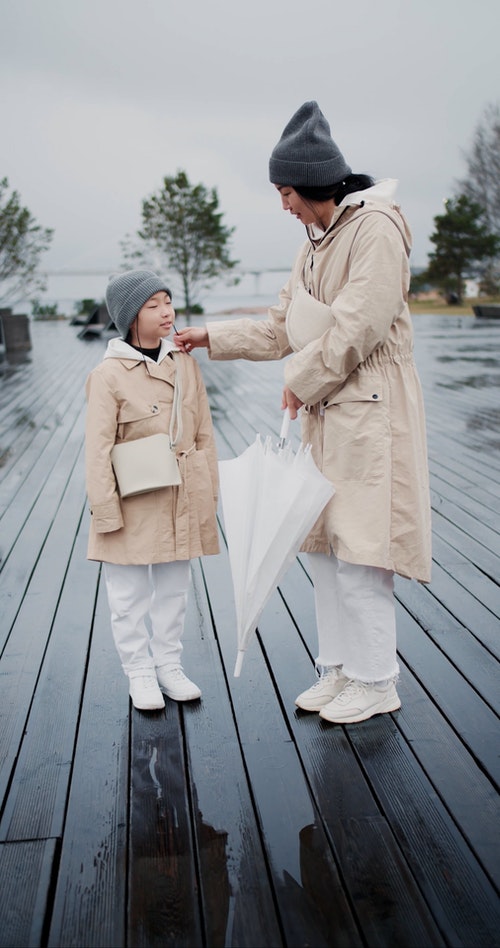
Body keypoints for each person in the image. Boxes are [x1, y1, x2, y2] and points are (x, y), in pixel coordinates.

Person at [176, 101, 432, 725]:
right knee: (322, 548)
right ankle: (340, 670)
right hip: (328, 417)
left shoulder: (376, 229)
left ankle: (377, 680)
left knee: (362, 552)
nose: (282, 205)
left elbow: (356, 328)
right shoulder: (312, 244)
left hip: (372, 413)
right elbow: (281, 328)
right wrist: (209, 337)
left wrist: (299, 378)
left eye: (285, 191)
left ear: (313, 184)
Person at [85, 269, 219, 711]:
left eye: (168, 301)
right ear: (129, 317)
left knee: (175, 591)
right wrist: (106, 513)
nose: (167, 312)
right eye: (153, 305)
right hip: (132, 499)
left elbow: (203, 434)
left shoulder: (185, 364)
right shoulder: (108, 375)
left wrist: (207, 495)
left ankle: (168, 664)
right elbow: (97, 450)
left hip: (179, 495)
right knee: (128, 596)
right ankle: (139, 671)